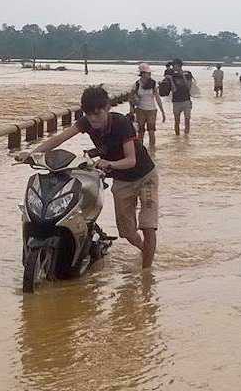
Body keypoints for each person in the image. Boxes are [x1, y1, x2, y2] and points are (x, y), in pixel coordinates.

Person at [17, 85, 159, 268]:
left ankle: (147, 274)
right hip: (122, 181)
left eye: (97, 113)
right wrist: (32, 154)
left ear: (107, 108)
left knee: (147, 225)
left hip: (145, 175)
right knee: (127, 232)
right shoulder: (86, 122)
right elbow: (59, 139)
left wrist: (109, 164)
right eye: (89, 114)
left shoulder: (121, 123)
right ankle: (146, 251)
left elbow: (131, 160)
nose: (93, 119)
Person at [130, 63, 166, 146]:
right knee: (141, 132)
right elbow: (130, 99)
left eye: (150, 73)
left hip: (152, 110)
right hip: (140, 110)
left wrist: (162, 112)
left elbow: (157, 98)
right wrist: (131, 111)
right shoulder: (136, 85)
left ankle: (152, 152)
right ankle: (140, 151)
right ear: (142, 74)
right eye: (147, 73)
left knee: (151, 132)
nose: (149, 74)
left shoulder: (153, 84)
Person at [160, 58, 194, 135]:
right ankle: (177, 137)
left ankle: (186, 135)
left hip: (186, 101)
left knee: (187, 120)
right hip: (176, 101)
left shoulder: (188, 74)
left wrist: (183, 76)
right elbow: (174, 90)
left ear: (179, 66)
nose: (173, 67)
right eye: (173, 66)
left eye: (175, 65)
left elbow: (188, 87)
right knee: (177, 121)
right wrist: (170, 79)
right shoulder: (172, 76)